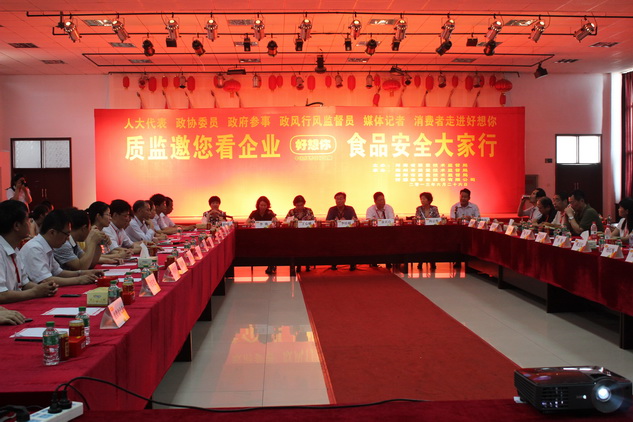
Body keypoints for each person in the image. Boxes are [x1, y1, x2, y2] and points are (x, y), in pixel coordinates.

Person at [18, 210, 103, 286]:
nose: (68, 238)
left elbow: (58, 272)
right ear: (52, 232)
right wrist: (79, 280)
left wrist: (85, 273)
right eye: (66, 234)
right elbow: (45, 280)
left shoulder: (47, 245)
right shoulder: (34, 248)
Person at [0, 200, 57, 303]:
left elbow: (24, 284)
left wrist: (44, 288)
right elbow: (1, 295)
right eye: (27, 219)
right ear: (17, 226)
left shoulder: (14, 249)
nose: (31, 223)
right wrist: (35, 292)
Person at [326, 193, 358, 271]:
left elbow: (355, 220)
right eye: (337, 199)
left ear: (344, 200)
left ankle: (352, 263)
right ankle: (334, 263)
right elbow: (327, 221)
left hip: (348, 233)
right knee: (332, 242)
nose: (339, 201)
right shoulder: (332, 209)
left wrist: (348, 221)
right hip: (335, 234)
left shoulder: (350, 209)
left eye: (341, 198)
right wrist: (333, 221)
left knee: (353, 242)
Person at [247, 196, 277, 275]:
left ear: (267, 205)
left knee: (271, 245)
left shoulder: (270, 212)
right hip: (256, 236)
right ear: (258, 205)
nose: (263, 207)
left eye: (265, 205)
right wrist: (251, 223)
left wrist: (273, 223)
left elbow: (276, 222)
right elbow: (247, 222)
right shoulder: (254, 213)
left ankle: (271, 265)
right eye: (261, 205)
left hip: (268, 235)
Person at [286, 195, 314, 273]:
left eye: (301, 205)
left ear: (304, 204)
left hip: (307, 235)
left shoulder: (308, 211)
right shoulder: (291, 212)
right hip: (294, 235)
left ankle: (307, 263)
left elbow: (313, 222)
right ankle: (296, 264)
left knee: (308, 243)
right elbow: (286, 222)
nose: (300, 207)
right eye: (298, 205)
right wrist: (291, 221)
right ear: (295, 205)